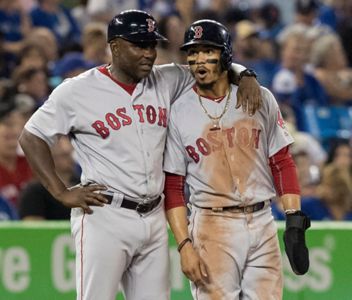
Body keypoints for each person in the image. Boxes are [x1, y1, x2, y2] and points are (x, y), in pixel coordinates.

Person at [18, 10, 262, 300]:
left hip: (154, 217)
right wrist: (60, 191)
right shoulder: (78, 90)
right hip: (105, 215)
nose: (149, 53)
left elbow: (209, 65)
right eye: (139, 45)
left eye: (152, 45)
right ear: (116, 45)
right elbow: (31, 136)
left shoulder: (166, 79)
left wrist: (245, 74)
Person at [163, 19, 310, 299]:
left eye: (208, 51)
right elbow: (173, 186)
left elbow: (281, 161)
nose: (198, 59)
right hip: (211, 224)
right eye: (192, 52)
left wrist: (293, 218)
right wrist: (184, 245)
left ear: (226, 54)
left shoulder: (258, 98)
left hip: (262, 219)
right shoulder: (179, 111)